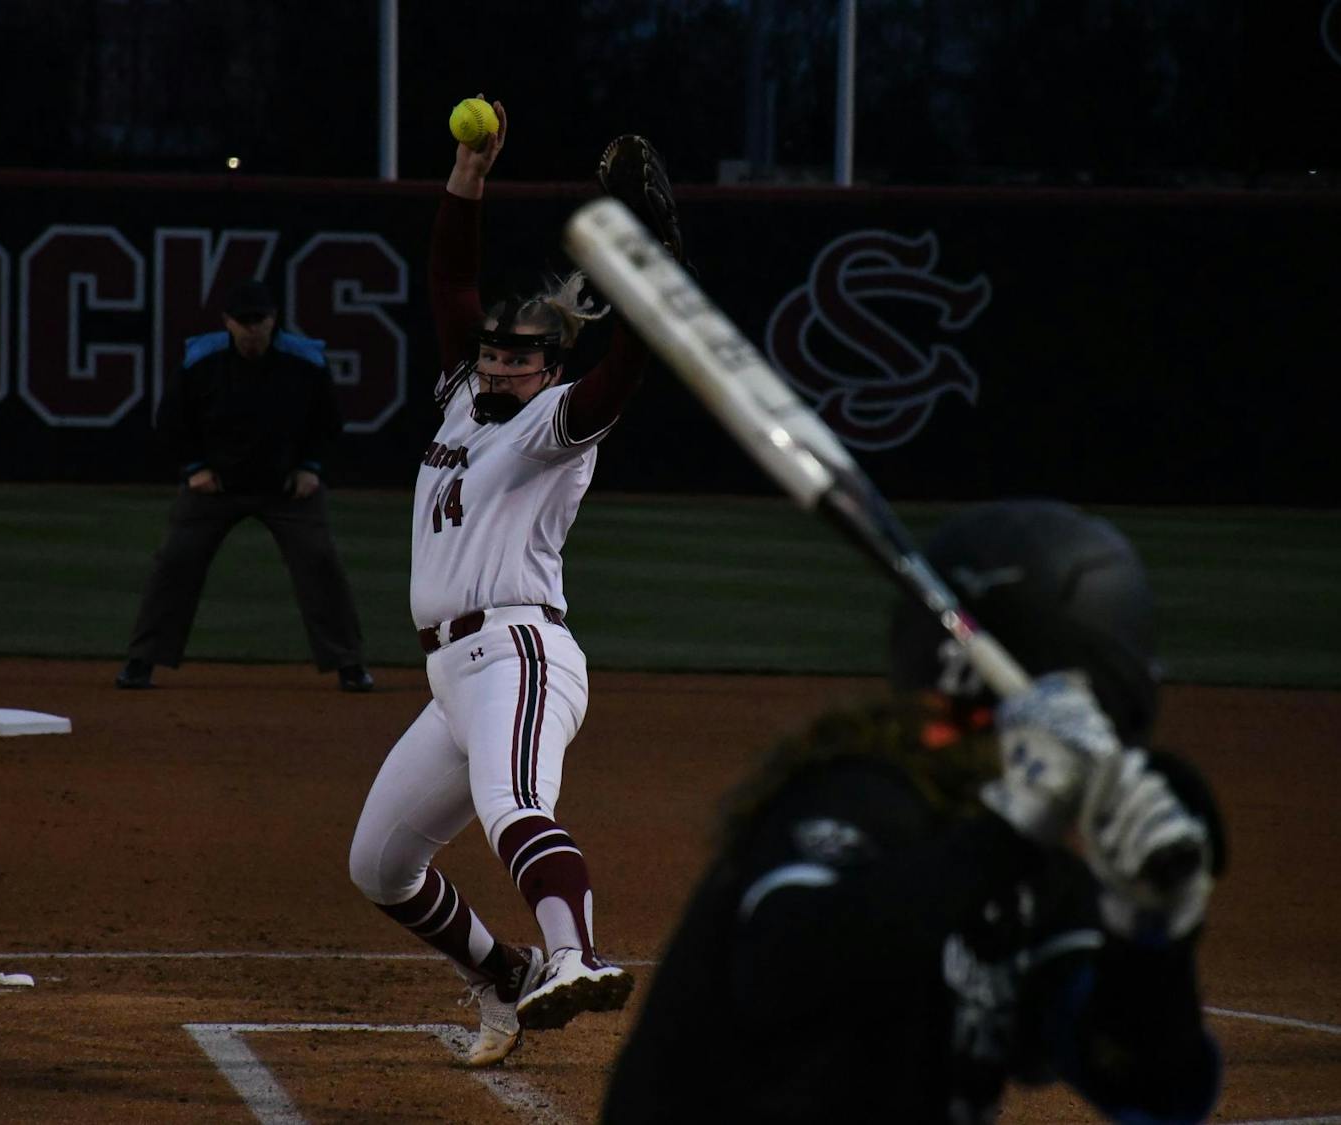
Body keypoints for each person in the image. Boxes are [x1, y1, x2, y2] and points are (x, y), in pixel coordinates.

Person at [603, 499, 1225, 1125]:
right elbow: (784, 970)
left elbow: (1149, 1092)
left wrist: (1151, 942)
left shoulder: (1036, 871)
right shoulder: (857, 796)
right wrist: (1010, 829)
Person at [348, 100, 657, 1067]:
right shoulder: (459, 397)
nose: (497, 363)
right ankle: (510, 977)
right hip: (452, 673)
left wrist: (646, 279)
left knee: (513, 806)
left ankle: (574, 955)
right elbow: (449, 275)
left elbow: (619, 377)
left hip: (517, 651)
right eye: (490, 349)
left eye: (518, 357)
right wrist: (467, 175)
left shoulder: (554, 420)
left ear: (549, 369)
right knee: (382, 864)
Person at [115, 278, 372, 692]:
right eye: (243, 320)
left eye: (260, 319)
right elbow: (171, 421)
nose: (252, 328)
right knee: (175, 562)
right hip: (216, 485)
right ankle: (141, 661)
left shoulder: (305, 361)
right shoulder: (202, 359)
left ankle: (350, 664)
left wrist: (310, 467)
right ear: (227, 322)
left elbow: (328, 422)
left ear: (274, 321)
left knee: (320, 562)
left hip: (286, 487)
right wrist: (195, 467)